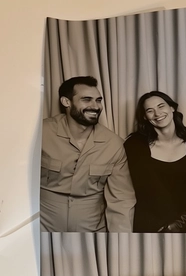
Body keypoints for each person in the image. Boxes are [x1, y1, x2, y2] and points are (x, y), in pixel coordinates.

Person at [41, 76, 136, 232]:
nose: (95, 106)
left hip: (92, 230)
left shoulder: (114, 144)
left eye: (98, 100)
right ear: (66, 102)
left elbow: (122, 200)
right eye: (87, 100)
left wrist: (121, 241)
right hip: (41, 227)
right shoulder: (41, 133)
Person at [123, 91, 186, 233]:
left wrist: (180, 223)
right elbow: (145, 188)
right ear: (145, 117)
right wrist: (168, 225)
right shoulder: (134, 145)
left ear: (172, 108)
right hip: (153, 214)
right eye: (150, 111)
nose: (157, 113)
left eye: (161, 106)